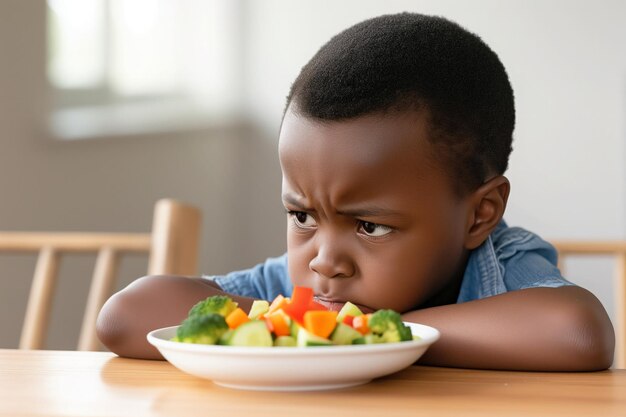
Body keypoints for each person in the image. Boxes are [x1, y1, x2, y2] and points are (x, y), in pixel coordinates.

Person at [96, 12, 615, 370]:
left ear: (479, 215)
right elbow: (124, 317)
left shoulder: (503, 265)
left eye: (370, 226)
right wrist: (293, 325)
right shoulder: (306, 293)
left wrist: (381, 336)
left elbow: (576, 333)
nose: (323, 260)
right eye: (303, 216)